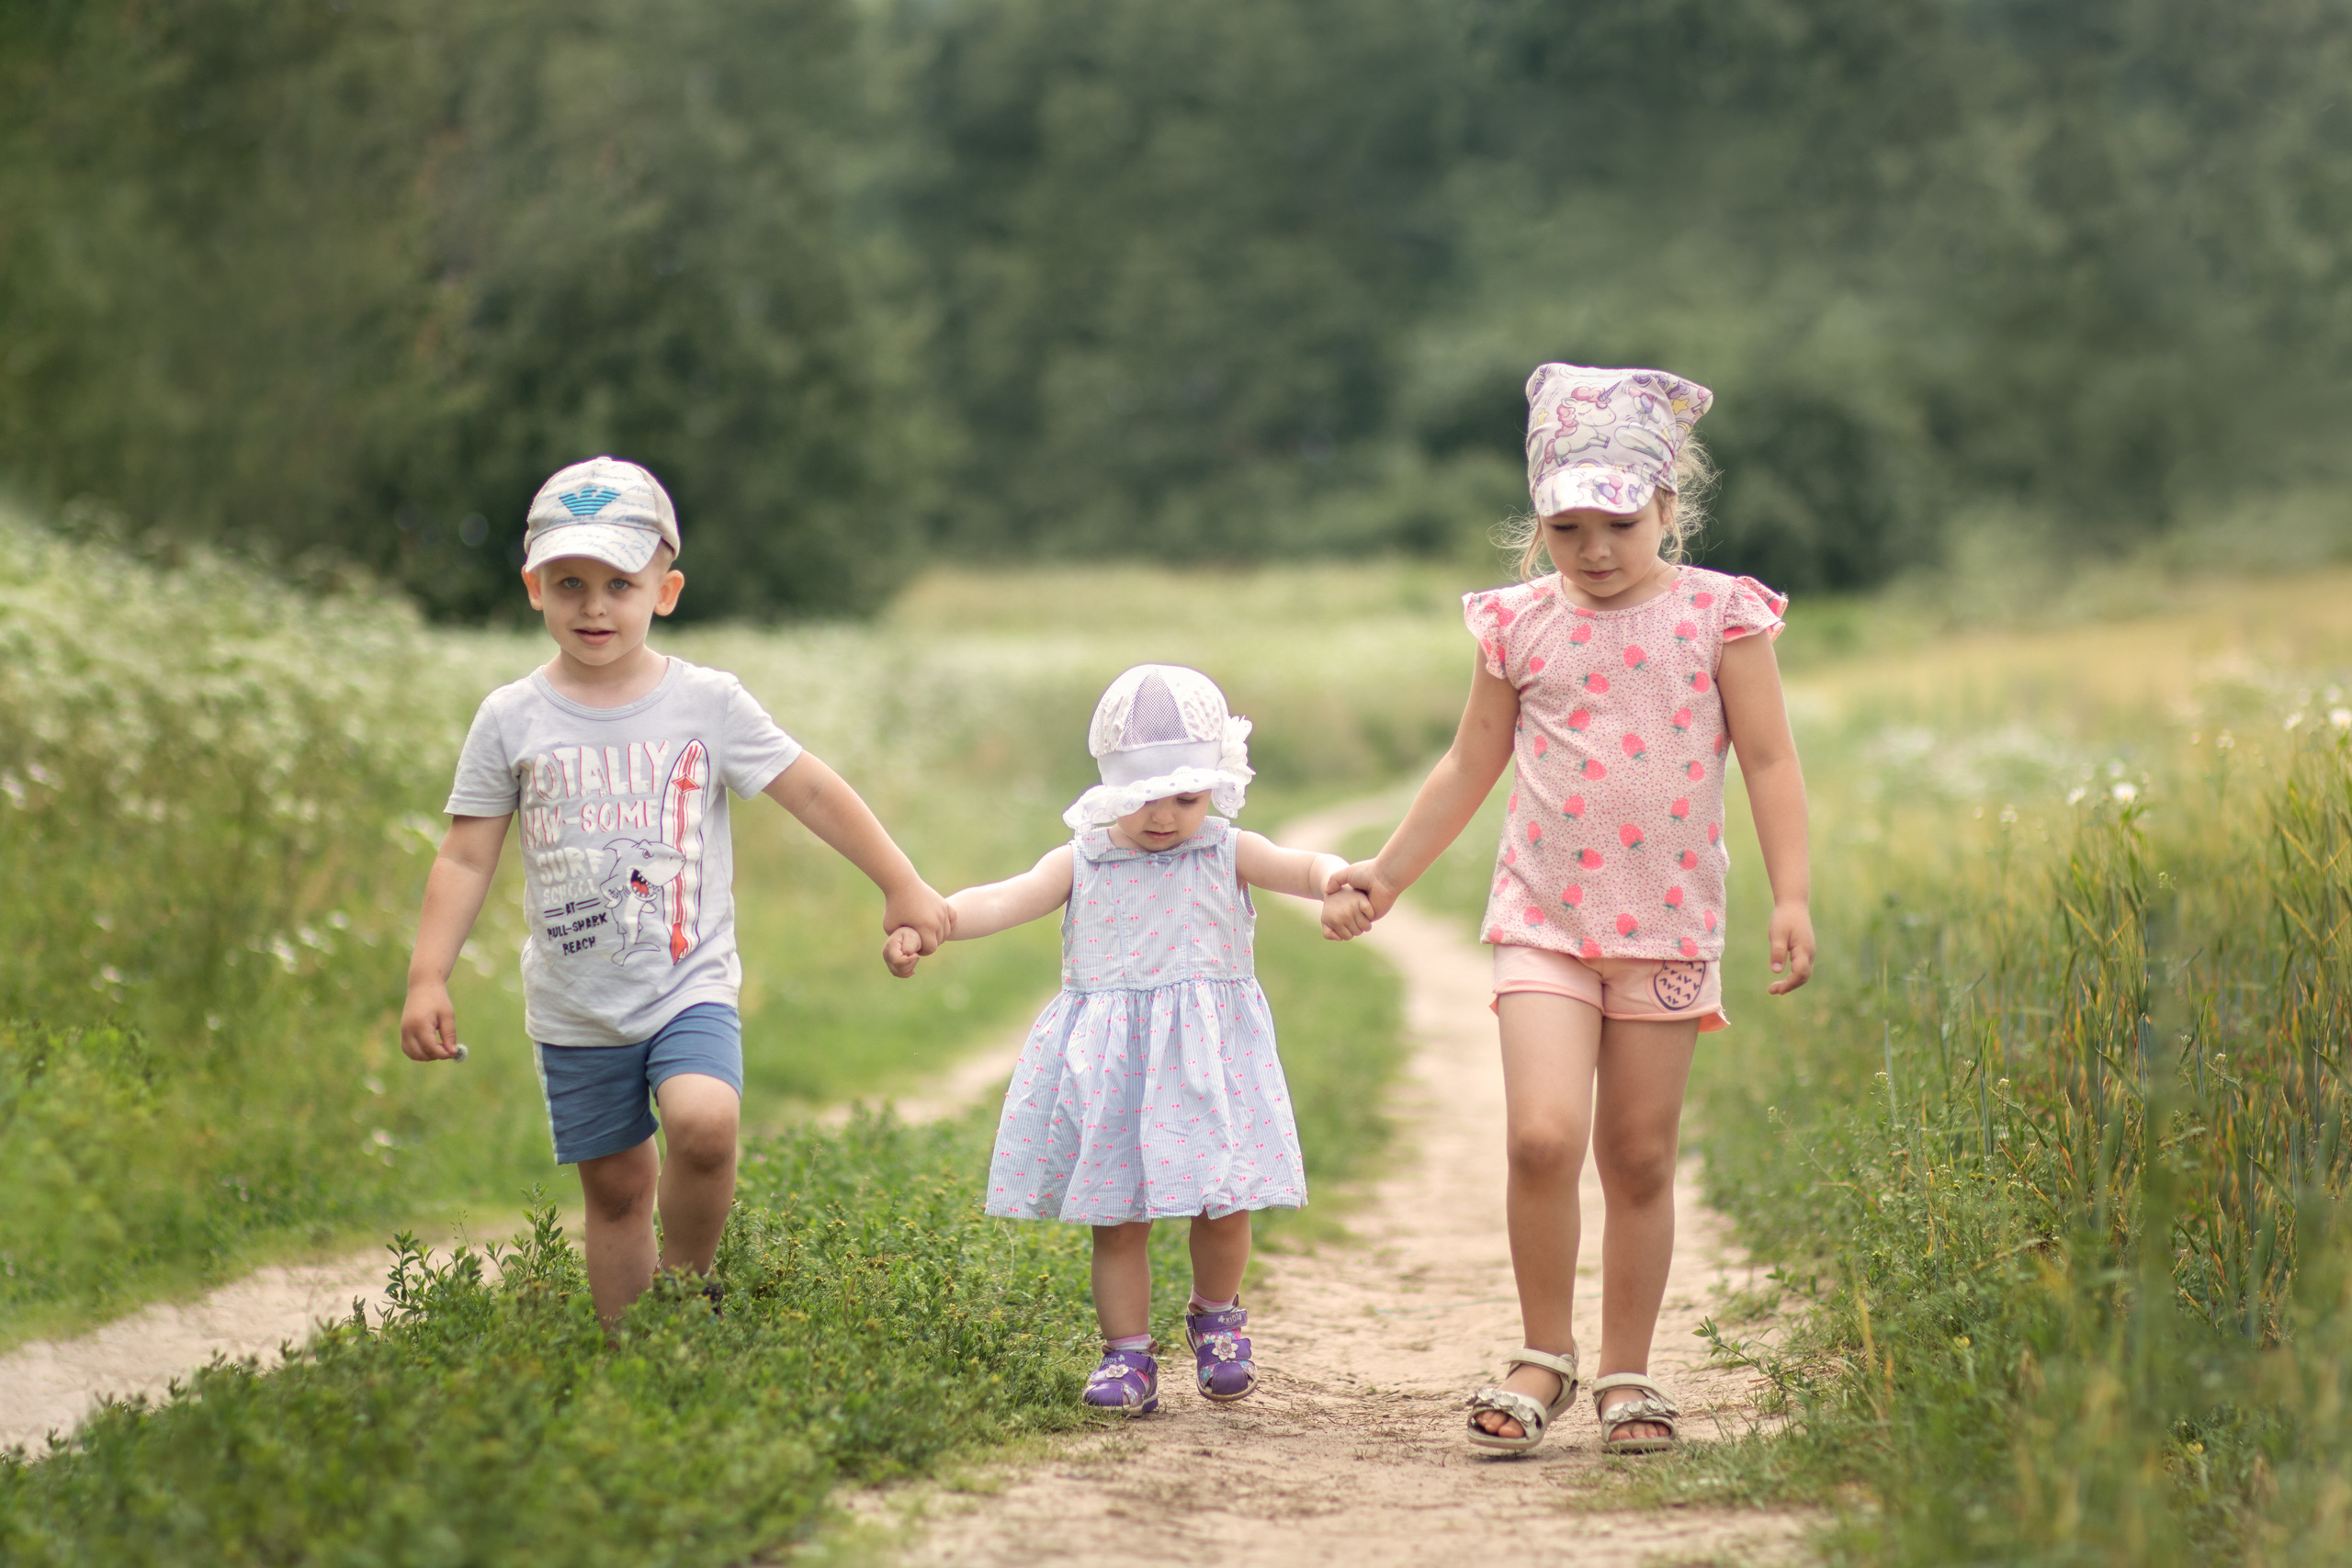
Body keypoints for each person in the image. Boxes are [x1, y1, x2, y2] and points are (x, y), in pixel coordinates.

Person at [1325, 366, 1815, 1455]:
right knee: (1542, 1138)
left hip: (1669, 930)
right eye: (1566, 527)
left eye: (1618, 524)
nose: (1593, 549)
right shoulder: (1516, 625)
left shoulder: (1719, 616)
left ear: (1666, 512)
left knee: (1637, 1155)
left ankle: (1630, 1374)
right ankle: (1544, 1356)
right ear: (1537, 522)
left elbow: (1772, 761)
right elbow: (1468, 764)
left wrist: (1791, 896)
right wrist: (1387, 874)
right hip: (1543, 922)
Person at [401, 456, 954, 1325]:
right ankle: (639, 1361)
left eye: (619, 583)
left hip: (686, 980)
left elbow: (808, 787)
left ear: (666, 590)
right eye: (569, 581)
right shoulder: (511, 717)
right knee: (618, 1191)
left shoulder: (708, 701)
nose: (593, 605)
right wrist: (428, 975)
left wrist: (901, 882)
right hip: (576, 1002)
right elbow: (467, 855)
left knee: (702, 1124)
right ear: (532, 587)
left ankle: (688, 1296)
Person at [885, 665, 1372, 1413]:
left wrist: (1340, 878)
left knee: (1222, 1202)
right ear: (1112, 791)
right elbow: (1000, 898)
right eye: (1145, 797)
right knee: (1117, 1219)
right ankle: (1128, 1355)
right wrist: (931, 920)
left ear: (1214, 785)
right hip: (1115, 1068)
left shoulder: (1224, 849)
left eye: (1187, 795)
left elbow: (1303, 867)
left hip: (1206, 1064)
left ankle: (1217, 1316)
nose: (1166, 815)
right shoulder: (1082, 859)